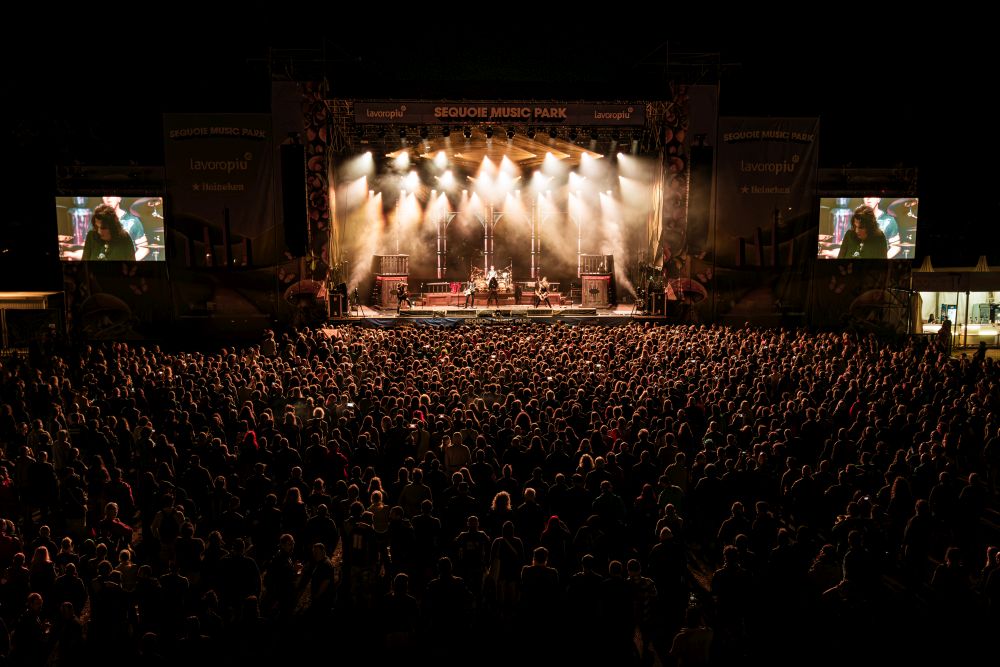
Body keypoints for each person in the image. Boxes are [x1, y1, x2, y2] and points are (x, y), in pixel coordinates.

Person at [102, 196, 149, 260]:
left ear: (119, 198)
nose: (108, 199)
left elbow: (144, 249)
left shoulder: (133, 221)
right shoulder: (97, 220)